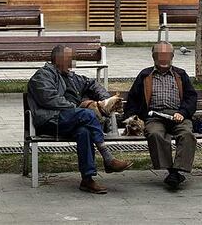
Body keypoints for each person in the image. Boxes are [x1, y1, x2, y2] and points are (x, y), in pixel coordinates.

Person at [27, 45, 132, 194]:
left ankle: (87, 180)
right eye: (69, 59)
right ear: (57, 59)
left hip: (68, 121)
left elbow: (92, 84)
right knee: (87, 114)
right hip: (49, 121)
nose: (72, 63)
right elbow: (49, 100)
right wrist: (78, 106)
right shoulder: (42, 76)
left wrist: (105, 101)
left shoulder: (71, 77)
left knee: (84, 132)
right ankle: (107, 158)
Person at [124, 41, 198, 189]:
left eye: (167, 56)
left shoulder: (180, 74)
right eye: (160, 56)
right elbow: (133, 98)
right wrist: (132, 118)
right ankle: (173, 172)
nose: (164, 60)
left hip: (177, 115)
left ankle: (176, 171)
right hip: (154, 116)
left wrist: (182, 113)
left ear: (172, 56)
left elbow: (191, 97)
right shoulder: (145, 75)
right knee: (154, 133)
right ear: (153, 57)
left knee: (187, 134)